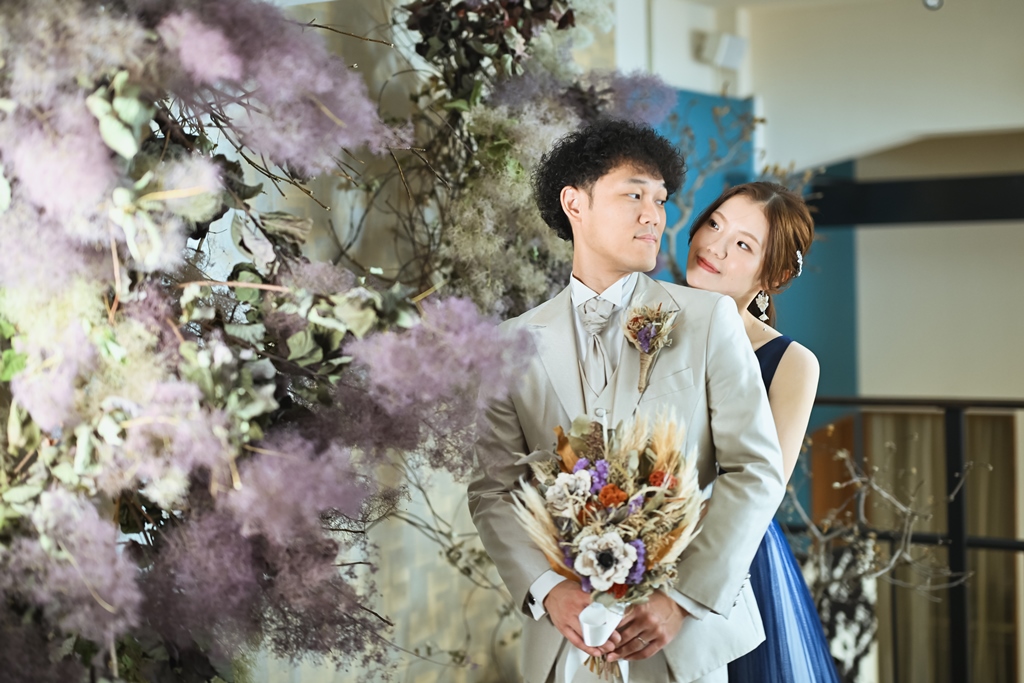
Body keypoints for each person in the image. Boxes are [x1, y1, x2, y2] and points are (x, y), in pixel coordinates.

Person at [468, 119, 786, 683]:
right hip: (563, 645)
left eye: (660, 200)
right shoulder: (508, 345)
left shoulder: (708, 320)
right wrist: (548, 590)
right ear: (575, 203)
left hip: (677, 644)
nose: (653, 216)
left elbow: (756, 470)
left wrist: (681, 600)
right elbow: (494, 490)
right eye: (634, 195)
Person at [684, 181, 840, 682]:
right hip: (635, 538)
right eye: (714, 224)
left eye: (742, 244)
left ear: (772, 276)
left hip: (733, 559)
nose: (715, 246)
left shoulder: (791, 362)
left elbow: (764, 488)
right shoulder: (648, 322)